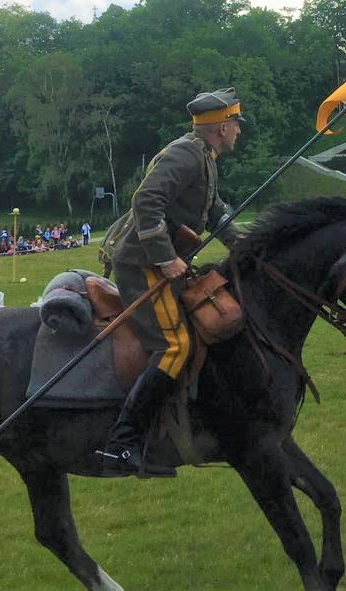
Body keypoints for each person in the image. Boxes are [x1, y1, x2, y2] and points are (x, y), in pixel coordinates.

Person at [96, 88, 245, 478]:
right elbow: (146, 201)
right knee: (175, 346)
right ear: (223, 126)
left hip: (162, 261)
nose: (238, 133)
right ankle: (122, 443)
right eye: (236, 126)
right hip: (143, 263)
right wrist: (165, 257)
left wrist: (246, 246)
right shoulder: (184, 155)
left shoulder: (206, 157)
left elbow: (214, 212)